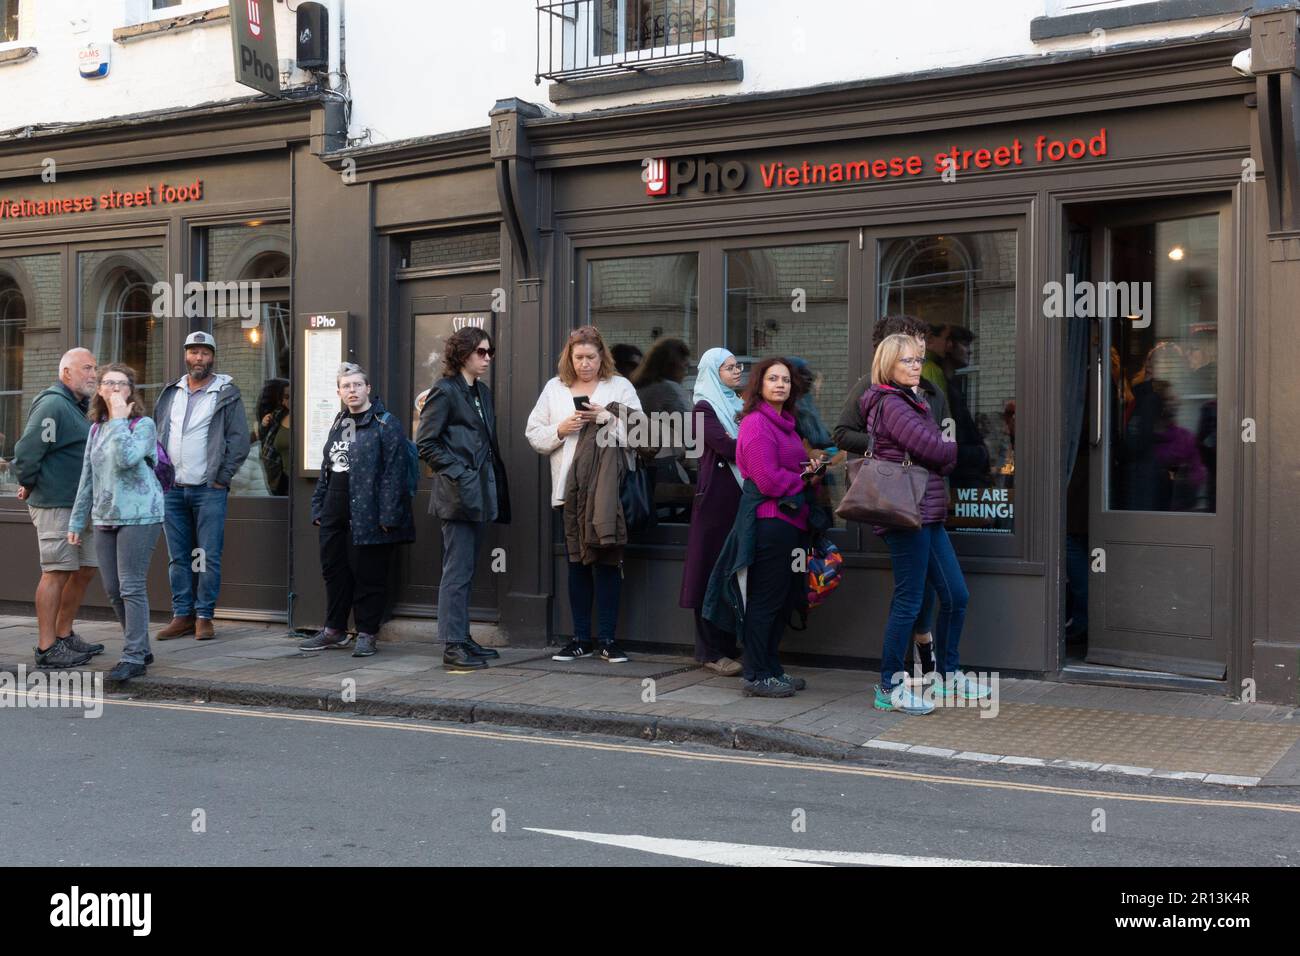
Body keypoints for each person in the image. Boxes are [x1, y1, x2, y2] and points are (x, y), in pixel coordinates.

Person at [863, 334, 990, 714]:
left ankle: (948, 674)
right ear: (888, 365)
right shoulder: (893, 404)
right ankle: (889, 686)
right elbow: (935, 449)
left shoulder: (913, 401)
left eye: (918, 359)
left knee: (955, 594)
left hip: (927, 511)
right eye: (906, 360)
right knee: (909, 601)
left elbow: (935, 450)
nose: (915, 365)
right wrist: (951, 450)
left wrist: (941, 451)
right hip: (905, 514)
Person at [834, 316, 948, 678]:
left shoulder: (930, 390)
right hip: (894, 496)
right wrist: (885, 447)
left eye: (921, 344)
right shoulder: (874, 389)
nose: (920, 350)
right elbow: (841, 432)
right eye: (911, 343)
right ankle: (898, 674)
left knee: (929, 584)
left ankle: (923, 650)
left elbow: (940, 443)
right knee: (909, 589)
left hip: (928, 497)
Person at [706, 357, 821, 699]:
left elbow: (789, 473)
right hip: (769, 523)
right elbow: (768, 480)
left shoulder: (787, 423)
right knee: (765, 601)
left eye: (785, 379)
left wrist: (811, 472)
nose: (780, 384)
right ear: (760, 385)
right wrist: (802, 478)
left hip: (790, 523)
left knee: (783, 600)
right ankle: (756, 674)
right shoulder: (756, 423)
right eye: (773, 379)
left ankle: (772, 668)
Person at [526, 325, 641, 664]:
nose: (585, 364)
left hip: (608, 492)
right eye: (579, 358)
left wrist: (606, 417)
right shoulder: (554, 388)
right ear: (569, 358)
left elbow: (644, 432)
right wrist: (561, 429)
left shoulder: (619, 386)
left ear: (601, 356)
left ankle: (607, 639)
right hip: (568, 490)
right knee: (577, 564)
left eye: (591, 357)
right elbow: (534, 433)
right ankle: (580, 639)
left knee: (607, 562)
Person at [301, 363, 415, 658]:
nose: (351, 390)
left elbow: (394, 472)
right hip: (334, 512)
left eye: (356, 385)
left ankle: (367, 633)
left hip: (370, 513)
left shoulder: (385, 423)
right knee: (335, 573)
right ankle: (334, 630)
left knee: (369, 576)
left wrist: (388, 516)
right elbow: (329, 468)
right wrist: (319, 507)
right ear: (339, 392)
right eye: (346, 386)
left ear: (368, 389)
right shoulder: (340, 421)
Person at [417, 328, 512, 671]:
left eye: (490, 352)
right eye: (481, 352)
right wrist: (461, 472)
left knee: (467, 570)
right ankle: (452, 646)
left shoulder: (481, 392)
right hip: (458, 495)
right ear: (463, 354)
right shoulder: (444, 391)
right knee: (456, 572)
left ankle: (462, 635)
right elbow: (425, 443)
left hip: (480, 494)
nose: (487, 358)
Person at [68, 365, 165, 682]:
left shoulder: (143, 425)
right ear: (99, 390)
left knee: (131, 586)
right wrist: (77, 519)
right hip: (104, 516)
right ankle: (140, 645)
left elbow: (126, 459)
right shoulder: (96, 428)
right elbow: (87, 478)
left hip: (140, 515)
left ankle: (134, 655)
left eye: (120, 384)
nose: (113, 388)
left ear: (130, 391)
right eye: (107, 383)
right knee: (112, 590)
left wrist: (121, 419)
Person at [152, 331, 251, 642]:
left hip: (209, 489)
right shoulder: (171, 392)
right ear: (186, 355)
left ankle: (204, 616)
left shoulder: (226, 392)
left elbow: (239, 441)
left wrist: (223, 476)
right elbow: (156, 435)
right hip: (173, 490)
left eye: (204, 353)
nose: (198, 358)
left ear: (213, 357)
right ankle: (182, 615)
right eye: (193, 352)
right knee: (178, 556)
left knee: (207, 555)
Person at [12, 348, 105, 668]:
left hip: (80, 506)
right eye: (87, 368)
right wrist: (30, 481)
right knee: (57, 571)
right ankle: (47, 647)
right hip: (56, 504)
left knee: (85, 568)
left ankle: (64, 635)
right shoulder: (53, 403)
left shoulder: (78, 407)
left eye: (95, 368)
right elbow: (27, 451)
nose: (93, 374)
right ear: (66, 373)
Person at [678, 348, 745, 676]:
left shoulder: (738, 404)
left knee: (733, 573)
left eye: (738, 366)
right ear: (712, 372)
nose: (737, 371)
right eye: (729, 367)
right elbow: (730, 448)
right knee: (709, 573)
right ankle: (709, 651)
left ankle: (731, 645)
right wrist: (761, 441)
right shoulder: (704, 408)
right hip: (715, 503)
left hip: (738, 500)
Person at [254, 378, 291, 496]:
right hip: (278, 474)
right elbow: (263, 436)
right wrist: (264, 425)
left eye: (292, 395)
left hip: (298, 478)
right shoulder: (279, 414)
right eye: (286, 397)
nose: (289, 400)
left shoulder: (304, 417)